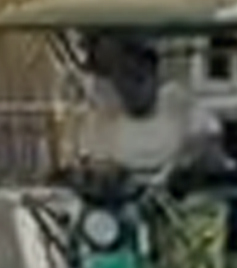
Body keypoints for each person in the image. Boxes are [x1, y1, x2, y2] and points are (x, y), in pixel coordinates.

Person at [74, 34, 225, 175]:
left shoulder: (181, 106)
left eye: (138, 78)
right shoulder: (99, 122)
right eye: (122, 78)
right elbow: (94, 169)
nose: (130, 87)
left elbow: (210, 149)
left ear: (154, 74)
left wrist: (200, 157)